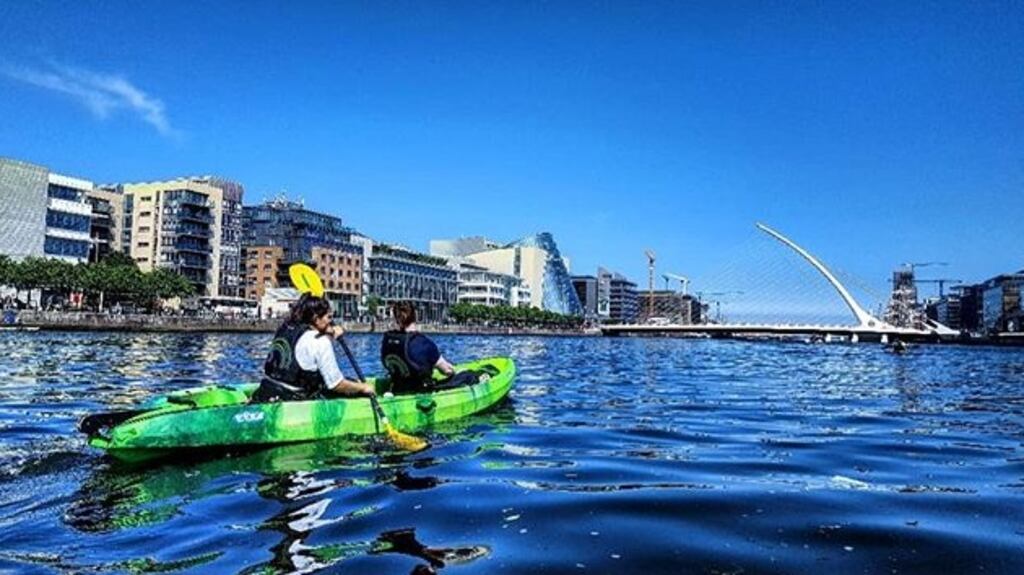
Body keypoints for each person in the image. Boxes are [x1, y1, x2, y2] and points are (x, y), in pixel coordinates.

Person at [251, 294, 376, 403]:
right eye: (329, 317)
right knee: (353, 387)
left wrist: (330, 331)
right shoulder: (321, 342)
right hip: (292, 400)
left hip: (266, 391)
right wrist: (363, 387)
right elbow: (336, 384)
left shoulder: (285, 329)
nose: (331, 322)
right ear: (316, 319)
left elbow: (306, 342)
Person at [380, 301, 475, 394]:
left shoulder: (389, 340)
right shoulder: (424, 343)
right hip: (420, 391)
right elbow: (447, 371)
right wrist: (455, 371)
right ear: (415, 316)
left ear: (397, 318)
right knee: (468, 375)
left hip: (398, 388)